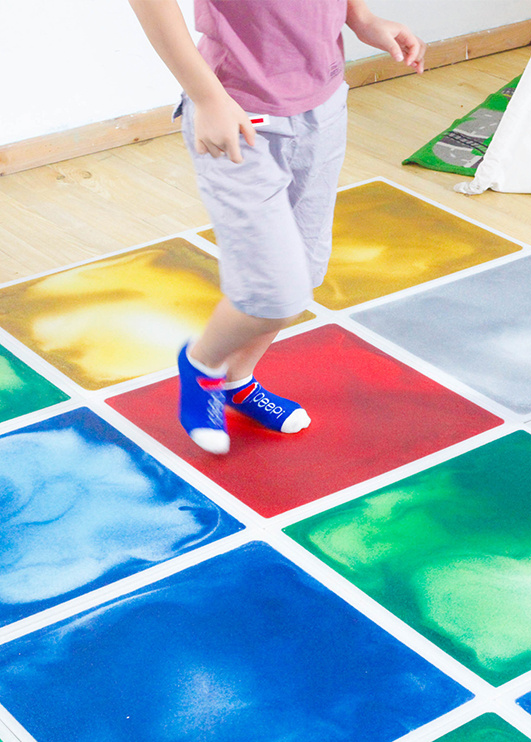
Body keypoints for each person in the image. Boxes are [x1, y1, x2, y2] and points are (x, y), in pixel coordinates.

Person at [128, 0, 426, 454]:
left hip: (323, 104)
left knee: (304, 274)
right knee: (272, 292)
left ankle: (237, 382)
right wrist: (208, 98)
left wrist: (361, 18)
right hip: (238, 117)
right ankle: (202, 365)